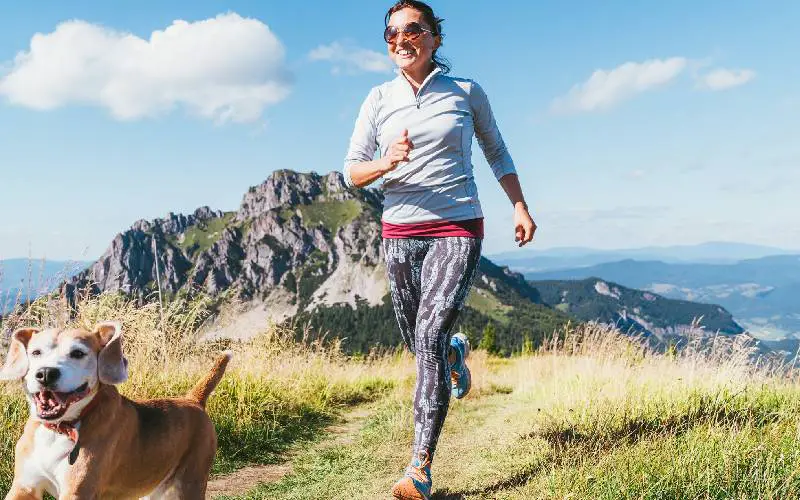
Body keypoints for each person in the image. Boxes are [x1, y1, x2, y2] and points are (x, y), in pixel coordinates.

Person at [342, 1, 536, 498]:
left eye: (412, 30)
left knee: (426, 334)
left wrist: (519, 206)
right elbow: (351, 171)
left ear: (434, 38)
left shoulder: (465, 93)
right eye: (391, 33)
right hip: (399, 231)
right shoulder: (378, 98)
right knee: (421, 343)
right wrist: (386, 162)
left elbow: (497, 150)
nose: (400, 39)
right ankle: (453, 351)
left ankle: (419, 468)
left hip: (457, 224)